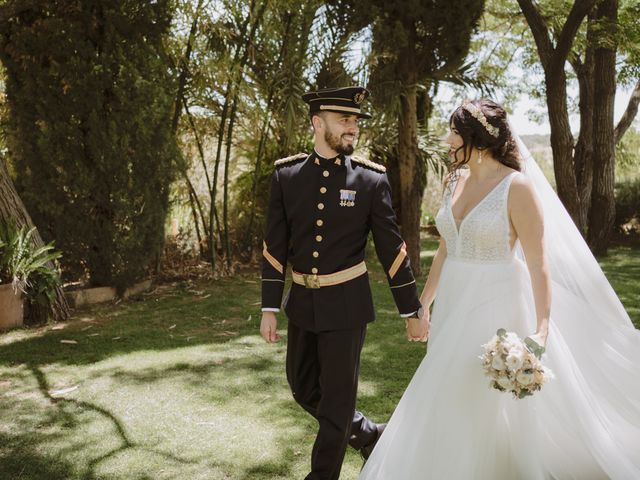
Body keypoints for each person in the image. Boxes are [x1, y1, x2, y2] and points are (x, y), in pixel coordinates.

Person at [360, 99, 640, 480]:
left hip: (496, 303)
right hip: (455, 300)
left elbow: (539, 263)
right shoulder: (453, 180)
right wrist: (421, 305)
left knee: (482, 393)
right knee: (449, 391)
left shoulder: (517, 187)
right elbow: (445, 249)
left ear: (477, 139)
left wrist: (541, 328)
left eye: (454, 132)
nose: (447, 140)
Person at [259, 86, 428, 480]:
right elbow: (274, 246)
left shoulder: (370, 181)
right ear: (318, 123)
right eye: (344, 120)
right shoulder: (287, 176)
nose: (352, 128)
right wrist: (269, 307)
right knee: (303, 388)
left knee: (335, 404)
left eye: (355, 121)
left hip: (347, 305)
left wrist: (411, 309)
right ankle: (368, 435)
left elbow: (393, 249)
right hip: (301, 302)